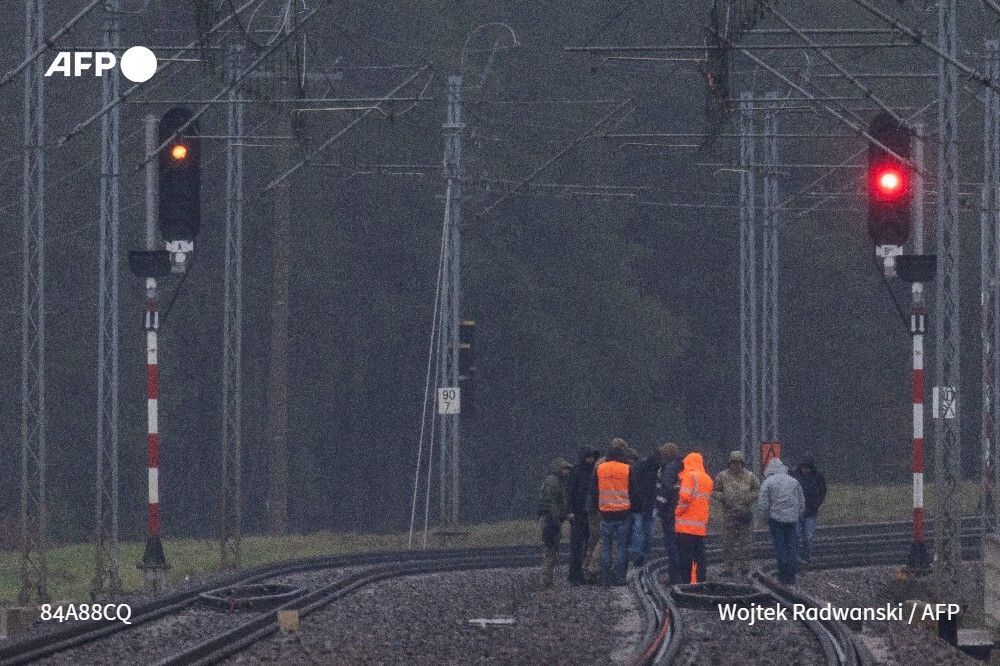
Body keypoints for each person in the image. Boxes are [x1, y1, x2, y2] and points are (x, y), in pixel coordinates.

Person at [712, 450, 760, 578]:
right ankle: (728, 567)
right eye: (733, 463)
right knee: (728, 542)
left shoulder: (750, 476)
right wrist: (723, 498)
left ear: (742, 463)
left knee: (746, 543)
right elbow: (714, 491)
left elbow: (757, 490)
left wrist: (749, 498)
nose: (736, 465)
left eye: (739, 463)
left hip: (744, 513)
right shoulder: (722, 476)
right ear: (730, 463)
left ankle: (745, 566)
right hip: (729, 514)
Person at [758, 457, 806, 585]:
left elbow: (763, 504)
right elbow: (801, 502)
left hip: (776, 520)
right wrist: (798, 515)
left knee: (780, 547)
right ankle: (791, 576)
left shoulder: (768, 482)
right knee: (791, 546)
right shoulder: (794, 481)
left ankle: (783, 575)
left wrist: (763, 520)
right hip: (792, 520)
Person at [596, 442, 633, 586]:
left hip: (605, 513)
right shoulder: (627, 469)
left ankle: (605, 578)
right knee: (622, 547)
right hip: (623, 513)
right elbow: (633, 490)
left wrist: (598, 507)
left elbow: (594, 491)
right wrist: (634, 508)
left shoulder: (600, 469)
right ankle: (621, 577)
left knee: (606, 547)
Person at [675, 451, 713, 584]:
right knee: (699, 557)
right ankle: (699, 582)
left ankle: (687, 584)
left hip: (686, 526)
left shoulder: (690, 477)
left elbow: (685, 498)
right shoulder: (707, 479)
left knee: (686, 557)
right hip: (700, 525)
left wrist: (677, 512)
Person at [537, 457, 573, 589]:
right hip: (550, 520)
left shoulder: (558, 482)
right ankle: (545, 582)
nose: (567, 471)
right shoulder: (553, 482)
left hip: (552, 519)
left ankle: (547, 581)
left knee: (551, 552)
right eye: (565, 469)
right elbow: (552, 504)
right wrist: (558, 519)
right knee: (549, 552)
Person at [567, 447, 599, 584]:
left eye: (592, 456)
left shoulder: (595, 470)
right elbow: (570, 492)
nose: (591, 459)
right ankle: (575, 575)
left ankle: (586, 573)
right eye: (588, 456)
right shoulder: (576, 471)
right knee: (577, 546)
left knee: (589, 544)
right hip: (578, 512)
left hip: (590, 512)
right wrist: (570, 511)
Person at [628, 448, 662, 567]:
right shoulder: (659, 470)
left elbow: (635, 486)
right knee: (648, 530)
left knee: (638, 530)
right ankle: (644, 554)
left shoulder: (640, 467)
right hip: (651, 505)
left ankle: (637, 554)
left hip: (640, 504)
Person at [655, 443, 683, 583]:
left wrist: (659, 508)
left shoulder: (669, 469)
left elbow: (664, 491)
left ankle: (674, 575)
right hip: (680, 512)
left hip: (669, 513)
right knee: (679, 544)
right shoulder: (681, 467)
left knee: (671, 544)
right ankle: (681, 574)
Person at [791, 456, 827, 566]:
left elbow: (822, 491)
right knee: (795, 535)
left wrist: (816, 504)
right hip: (796, 511)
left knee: (808, 536)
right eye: (803, 467)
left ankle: (806, 557)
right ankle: (796, 557)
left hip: (810, 511)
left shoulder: (818, 477)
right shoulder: (794, 476)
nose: (805, 469)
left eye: (808, 467)